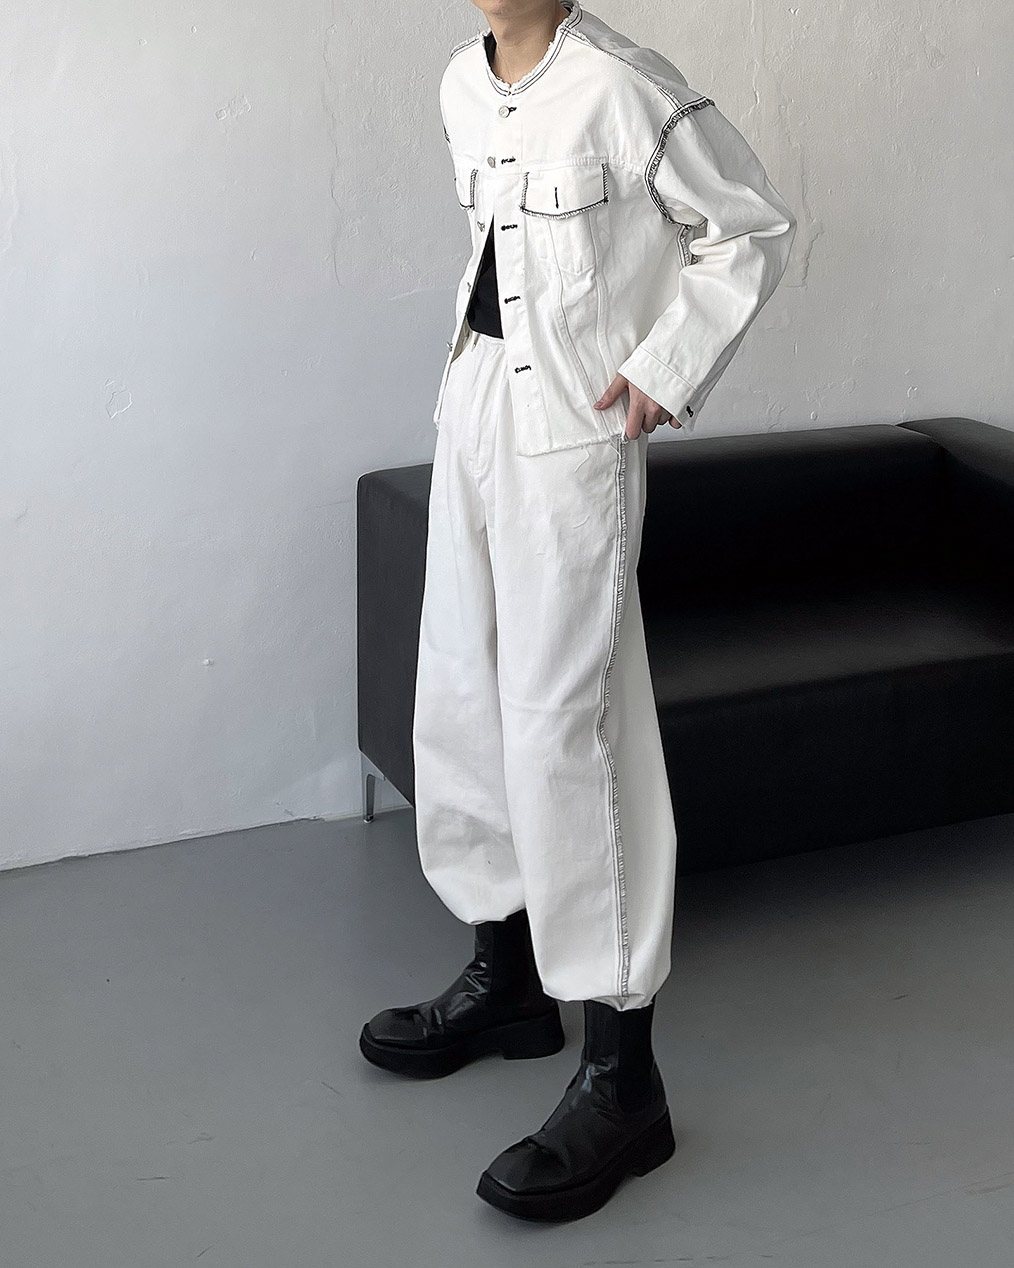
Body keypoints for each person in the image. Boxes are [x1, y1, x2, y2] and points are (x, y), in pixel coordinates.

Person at [360, 0, 796, 1223]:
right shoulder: (461, 85)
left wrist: (664, 369)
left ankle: (623, 1076)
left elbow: (749, 227)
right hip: (473, 410)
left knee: (570, 728)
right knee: (461, 689)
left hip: (573, 436)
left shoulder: (622, 85)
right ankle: (505, 975)